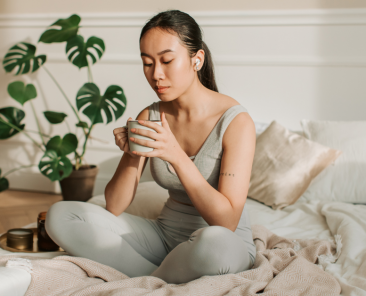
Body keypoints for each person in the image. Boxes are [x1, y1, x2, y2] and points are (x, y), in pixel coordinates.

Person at [45, 9, 257, 284]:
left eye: (167, 61)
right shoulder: (151, 115)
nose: (156, 74)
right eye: (147, 63)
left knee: (214, 244)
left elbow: (226, 222)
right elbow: (114, 206)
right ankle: (157, 280)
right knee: (61, 215)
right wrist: (131, 154)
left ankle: (142, 280)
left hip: (220, 244)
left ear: (197, 60)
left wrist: (177, 156)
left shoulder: (236, 122)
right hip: (164, 238)